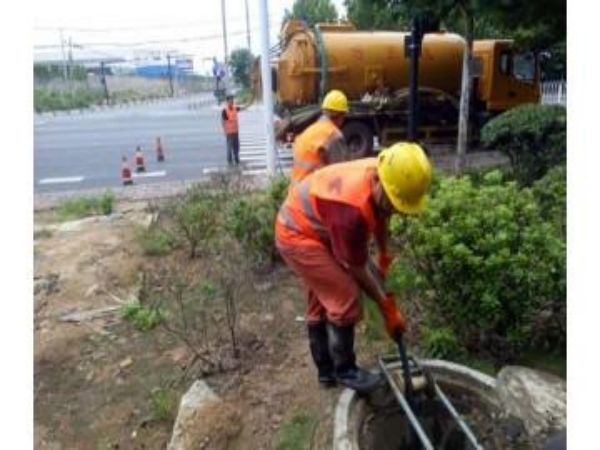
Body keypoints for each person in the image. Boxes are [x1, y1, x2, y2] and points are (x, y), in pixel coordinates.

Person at [275, 142, 432, 394]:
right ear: (381, 182)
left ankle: (326, 373)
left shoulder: (382, 173)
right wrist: (386, 307)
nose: (395, 209)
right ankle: (345, 370)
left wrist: (383, 253)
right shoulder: (352, 212)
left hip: (318, 224)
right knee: (346, 297)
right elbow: (356, 267)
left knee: (321, 298)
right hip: (296, 234)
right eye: (393, 202)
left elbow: (382, 216)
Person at [291, 89, 352, 183]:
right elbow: (341, 173)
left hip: (296, 191)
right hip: (311, 193)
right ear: (341, 115)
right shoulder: (333, 135)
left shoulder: (311, 129)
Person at [221, 94, 241, 166]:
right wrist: (225, 131)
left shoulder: (235, 108)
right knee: (229, 147)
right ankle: (229, 161)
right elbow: (223, 122)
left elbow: (243, 108)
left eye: (232, 100)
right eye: (230, 100)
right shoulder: (224, 111)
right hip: (229, 132)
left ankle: (236, 158)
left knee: (236, 146)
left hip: (235, 131)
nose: (232, 101)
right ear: (227, 101)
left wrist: (251, 101)